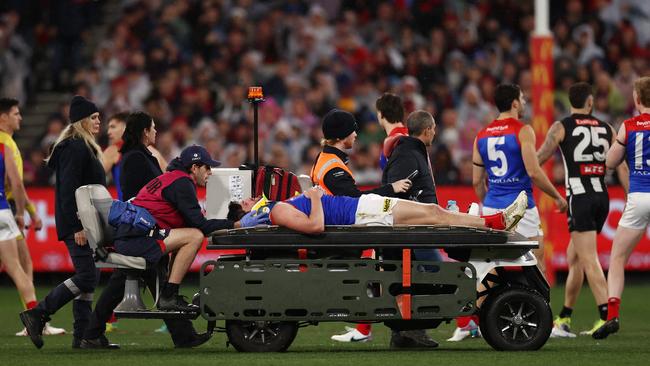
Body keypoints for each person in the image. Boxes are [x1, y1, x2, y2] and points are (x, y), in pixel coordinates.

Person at [81, 115, 211, 349]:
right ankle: (183, 335)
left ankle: (182, 335)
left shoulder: (142, 156)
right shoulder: (135, 159)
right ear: (144, 132)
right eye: (152, 128)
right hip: (139, 230)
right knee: (147, 282)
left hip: (140, 229)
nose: (156, 132)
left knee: (144, 281)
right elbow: (139, 198)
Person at [310, 108, 413, 346]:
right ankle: (395, 326)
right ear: (340, 135)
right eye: (352, 129)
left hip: (337, 229)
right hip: (340, 235)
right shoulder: (332, 166)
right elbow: (355, 201)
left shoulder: (328, 159)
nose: (356, 134)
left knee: (381, 264)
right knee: (386, 260)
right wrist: (391, 189)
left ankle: (367, 328)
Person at [537, 82, 629, 338]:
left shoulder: (562, 126)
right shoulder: (606, 127)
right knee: (575, 258)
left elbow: (541, 156)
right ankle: (565, 317)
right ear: (590, 102)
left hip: (579, 196)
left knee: (588, 258)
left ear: (571, 102)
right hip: (602, 196)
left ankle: (606, 315)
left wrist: (525, 167)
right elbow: (621, 166)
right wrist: (629, 193)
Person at [20, 95, 106, 349]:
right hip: (79, 223)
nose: (99, 121)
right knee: (87, 276)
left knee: (90, 276)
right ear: (81, 121)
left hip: (87, 222)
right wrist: (78, 225)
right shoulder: (75, 147)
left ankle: (82, 336)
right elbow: (69, 189)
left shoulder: (81, 145)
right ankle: (38, 314)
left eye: (99, 116)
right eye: (93, 117)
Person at [472, 84, 568, 278]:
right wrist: (557, 197)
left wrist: (491, 204)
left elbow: (476, 181)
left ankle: (483, 308)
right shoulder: (523, 131)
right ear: (515, 103)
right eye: (522, 99)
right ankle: (539, 308)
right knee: (536, 264)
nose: (524, 103)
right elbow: (533, 171)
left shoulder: (481, 135)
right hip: (522, 206)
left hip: (492, 207)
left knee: (491, 268)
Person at [0, 98, 66, 337]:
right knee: (20, 266)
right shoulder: (5, 144)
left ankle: (35, 320)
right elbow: (14, 183)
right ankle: (36, 320)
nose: (20, 117)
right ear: (3, 117)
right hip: (3, 209)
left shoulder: (9, 143)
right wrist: (24, 211)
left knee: (23, 263)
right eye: (16, 113)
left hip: (6, 207)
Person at [593, 76, 650, 339]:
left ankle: (613, 314)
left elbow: (611, 162)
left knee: (617, 259)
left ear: (637, 99)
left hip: (639, 197)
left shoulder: (628, 126)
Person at [231, 187, 528, 236]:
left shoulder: (278, 207)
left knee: (435, 212)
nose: (252, 197)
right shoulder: (275, 211)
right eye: (246, 201)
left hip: (362, 208)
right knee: (435, 214)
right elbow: (314, 228)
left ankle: (491, 220)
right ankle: (494, 222)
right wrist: (315, 197)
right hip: (362, 213)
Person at [103, 112, 168, 200]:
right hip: (152, 206)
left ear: (126, 127)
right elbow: (170, 178)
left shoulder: (114, 151)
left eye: (113, 127)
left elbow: (95, 178)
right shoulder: (151, 152)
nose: (109, 132)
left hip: (132, 207)